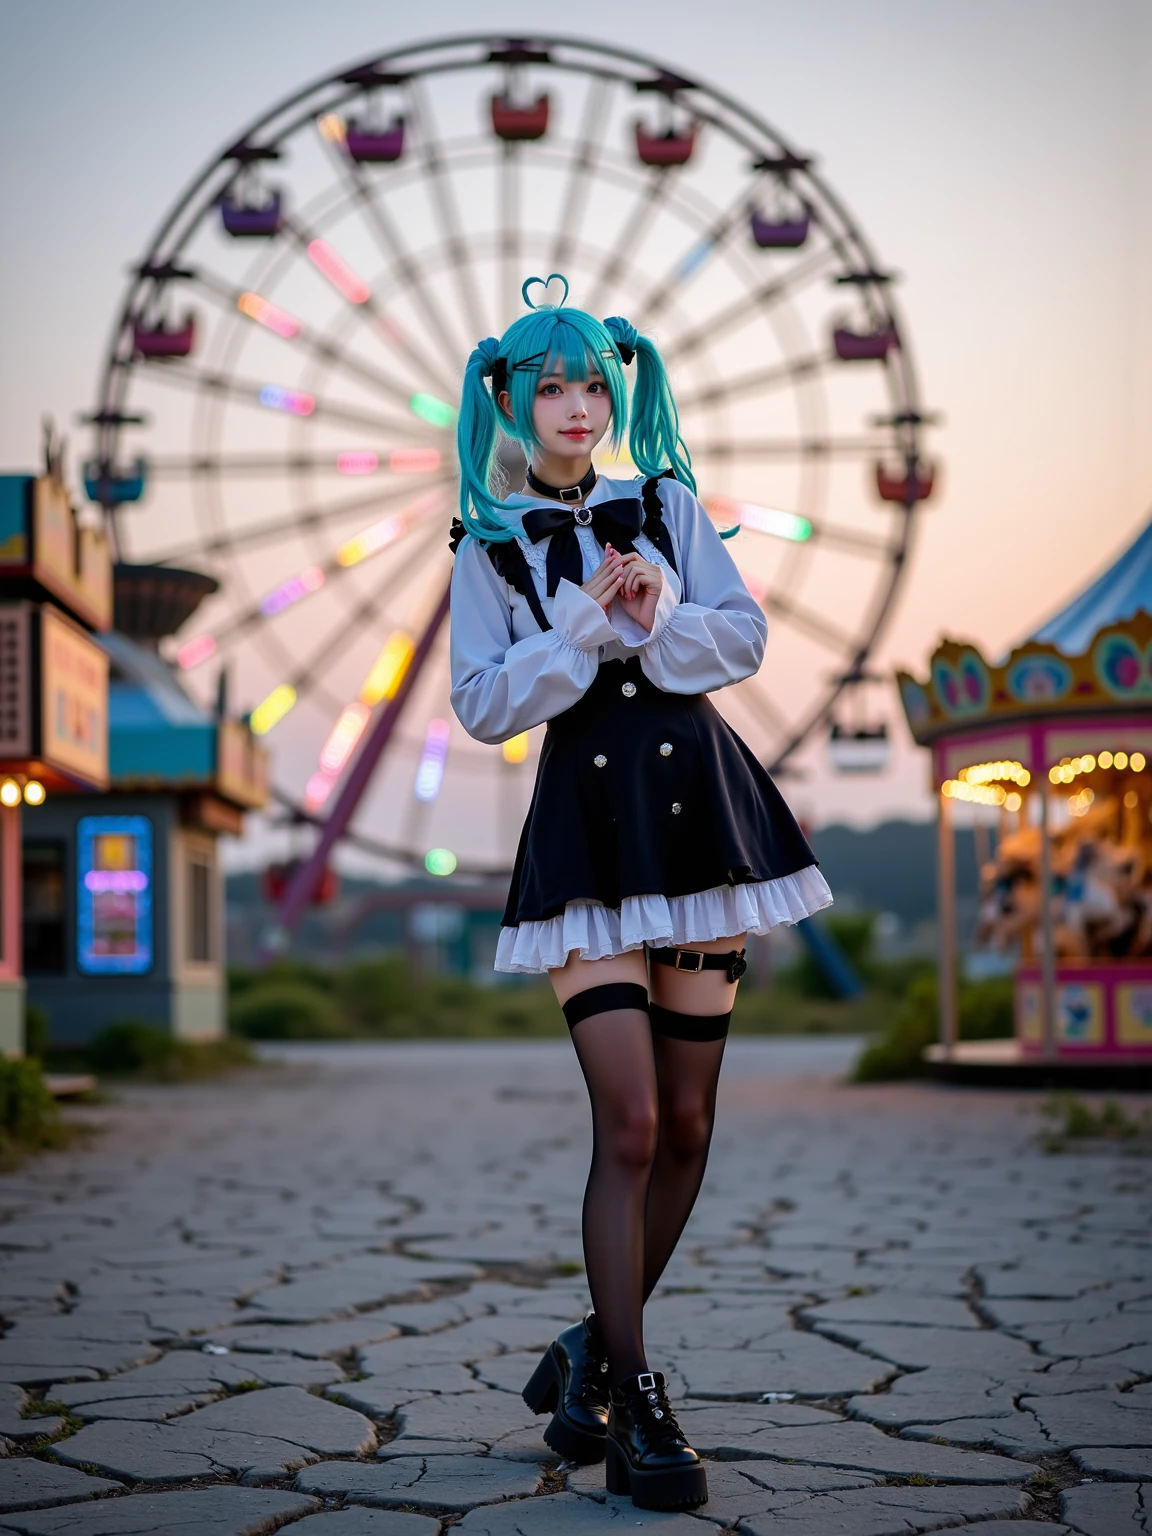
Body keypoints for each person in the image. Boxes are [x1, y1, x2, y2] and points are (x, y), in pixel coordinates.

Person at [448, 275, 832, 1511]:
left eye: (589, 386)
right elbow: (482, 704)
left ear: (616, 393)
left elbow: (745, 635)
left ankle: (586, 1352)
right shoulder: (489, 543)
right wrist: (582, 641)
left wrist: (659, 617)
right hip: (589, 847)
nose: (572, 405)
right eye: (547, 386)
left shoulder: (666, 503)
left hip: (702, 828)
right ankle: (638, 1399)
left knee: (690, 1124)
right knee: (626, 1126)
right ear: (509, 399)